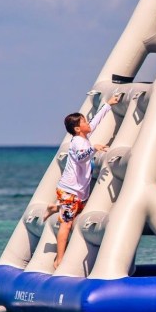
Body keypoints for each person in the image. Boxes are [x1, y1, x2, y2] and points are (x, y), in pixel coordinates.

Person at [45, 94, 120, 269]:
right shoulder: (79, 143)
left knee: (75, 212)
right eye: (84, 122)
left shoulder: (83, 136)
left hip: (77, 191)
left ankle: (54, 207)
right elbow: (80, 158)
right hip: (69, 189)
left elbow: (95, 122)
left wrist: (108, 105)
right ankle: (59, 258)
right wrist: (93, 148)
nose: (88, 124)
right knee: (67, 223)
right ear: (78, 129)